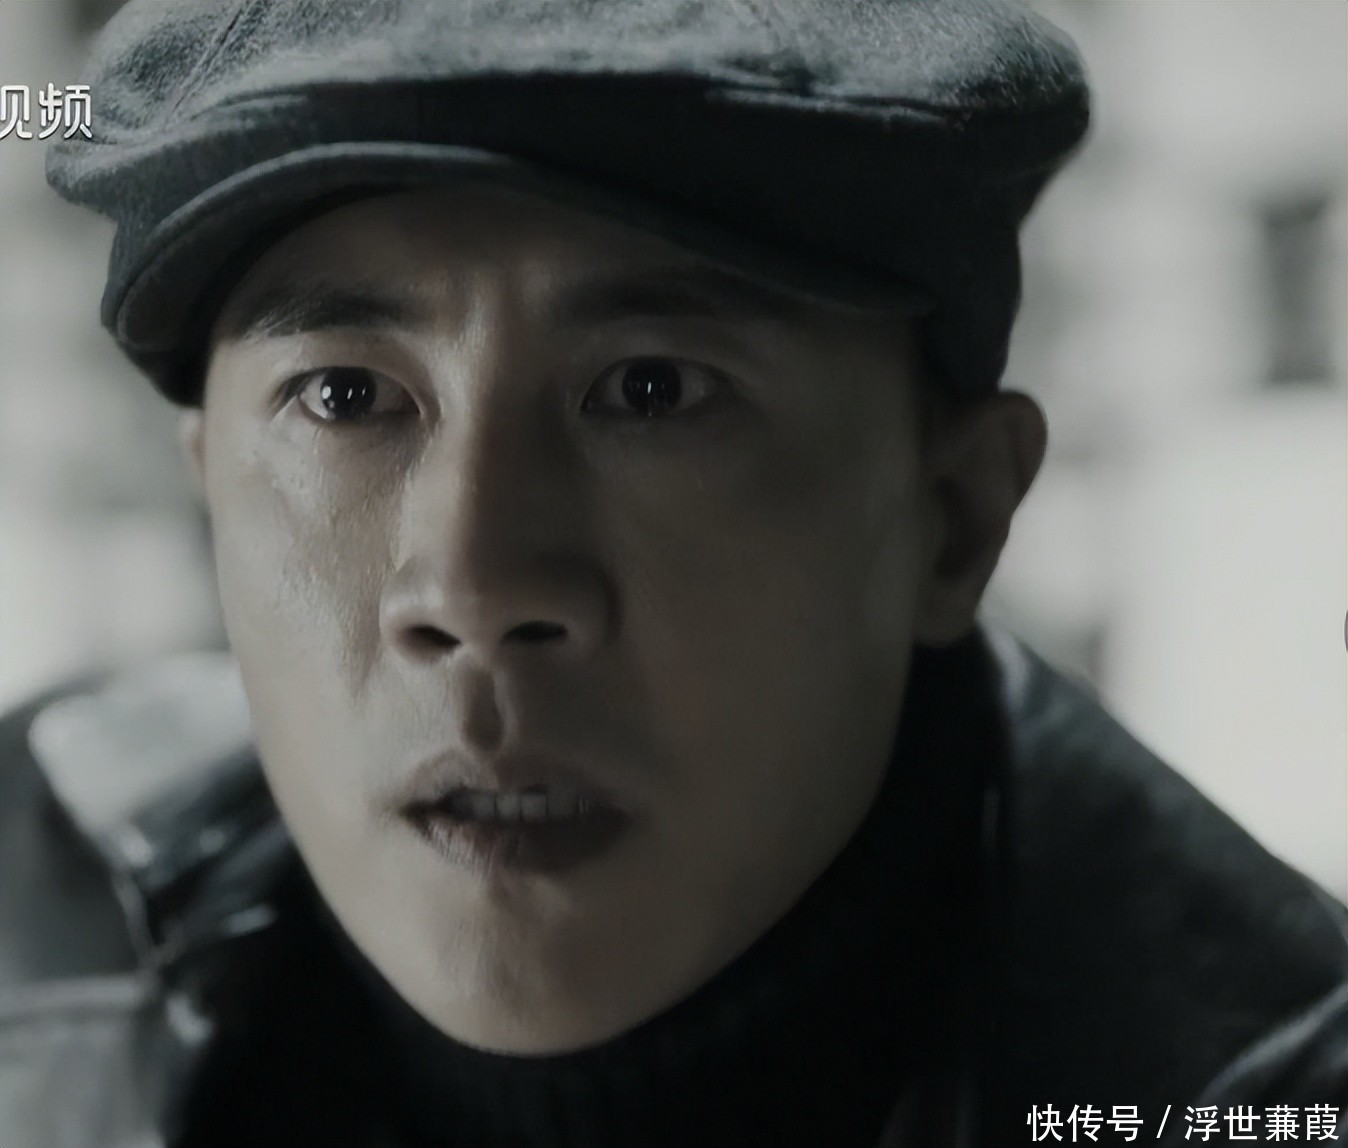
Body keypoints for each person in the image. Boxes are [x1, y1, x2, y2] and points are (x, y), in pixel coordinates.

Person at [1, 2, 1343, 1145]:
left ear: (954, 520)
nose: (472, 590)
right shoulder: (35, 910)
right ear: (210, 492)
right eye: (344, 396)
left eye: (652, 390)